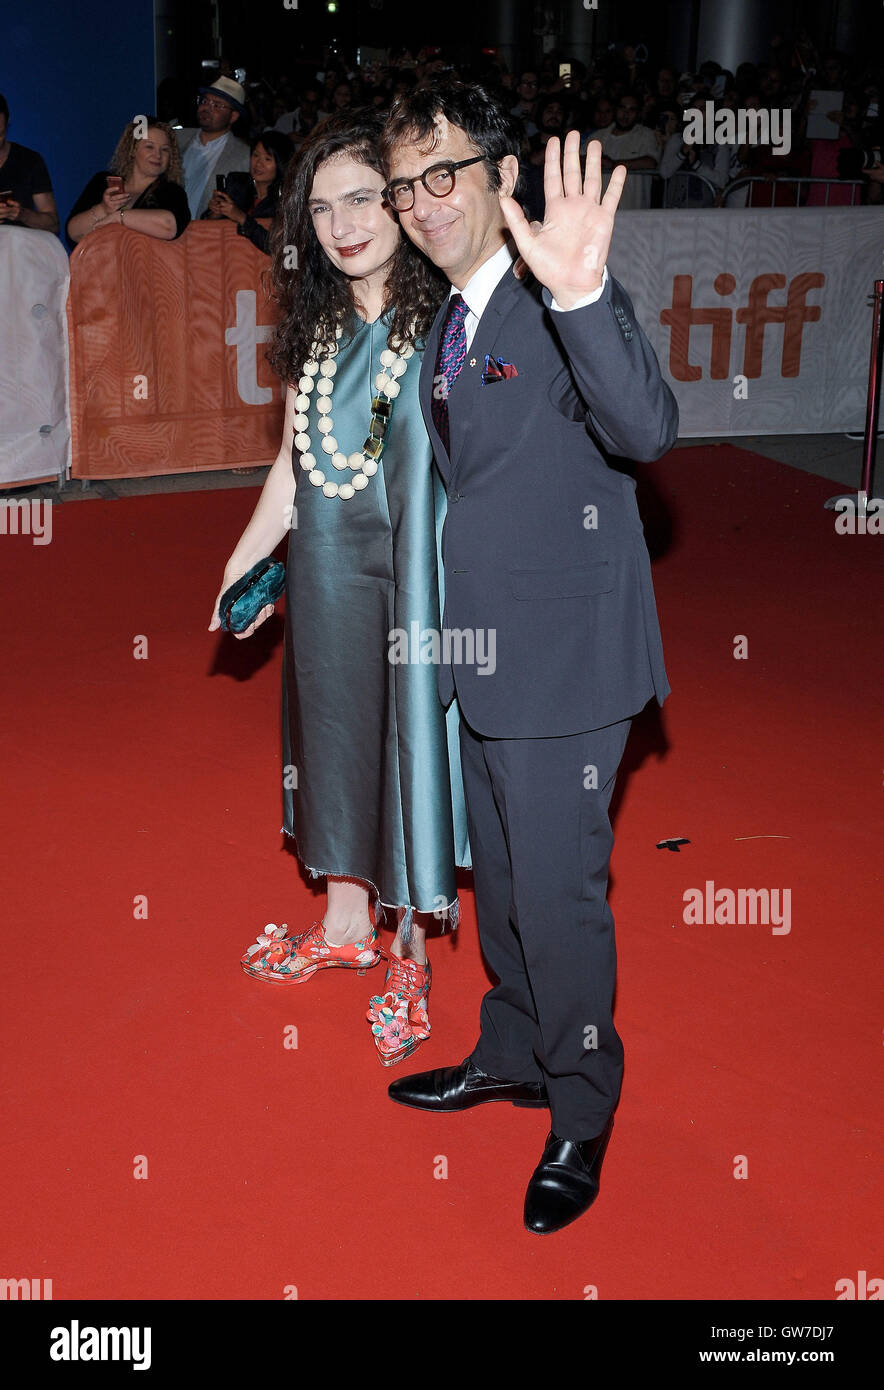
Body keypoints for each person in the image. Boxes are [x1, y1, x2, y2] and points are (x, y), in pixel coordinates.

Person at [378, 80, 678, 1233]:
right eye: (406, 183)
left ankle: (582, 1103)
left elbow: (644, 430)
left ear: (504, 178)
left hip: (566, 667)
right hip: (487, 657)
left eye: (441, 172)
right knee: (496, 883)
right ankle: (511, 1052)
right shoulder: (453, 318)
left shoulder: (555, 297)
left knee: (556, 899)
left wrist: (586, 291)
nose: (419, 201)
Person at [209, 110, 469, 1067]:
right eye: (319, 208)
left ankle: (410, 947)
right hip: (323, 564)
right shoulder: (316, 327)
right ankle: (346, 920)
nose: (341, 223)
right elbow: (291, 460)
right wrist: (244, 558)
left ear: (402, 204)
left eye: (362, 198)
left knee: (408, 737)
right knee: (328, 728)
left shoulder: (446, 319)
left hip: (412, 571)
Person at [66, 118, 189, 243]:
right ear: (132, 149)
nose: (158, 155)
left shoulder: (172, 191)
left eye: (165, 149)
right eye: (149, 147)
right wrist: (104, 209)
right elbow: (73, 232)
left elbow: (169, 226)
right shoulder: (103, 182)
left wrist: (120, 217)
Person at [205, 129, 291, 253]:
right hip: (230, 258)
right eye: (255, 155)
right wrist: (214, 213)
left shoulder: (286, 197)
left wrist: (242, 218)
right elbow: (205, 227)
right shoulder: (236, 184)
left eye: (267, 159)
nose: (258, 164)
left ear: (281, 163)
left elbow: (283, 248)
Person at [177, 77, 251, 219]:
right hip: (164, 232)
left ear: (233, 116)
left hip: (207, 234)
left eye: (217, 105)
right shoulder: (175, 139)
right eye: (204, 101)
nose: (207, 108)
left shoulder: (244, 156)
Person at [0, 93, 59, 234]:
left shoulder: (29, 160)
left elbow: (53, 224)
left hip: (18, 248)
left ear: (7, 125)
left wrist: (22, 215)